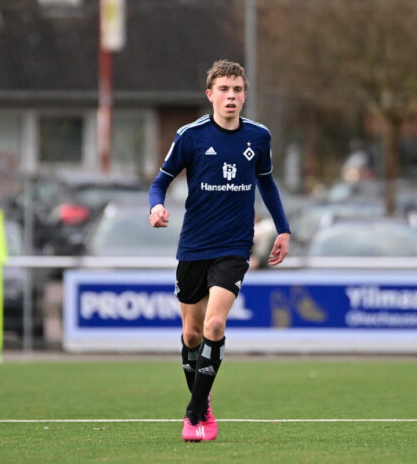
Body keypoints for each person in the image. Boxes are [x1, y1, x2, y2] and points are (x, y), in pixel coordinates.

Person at [148, 59, 291, 442]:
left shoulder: (258, 137)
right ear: (210, 94)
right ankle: (203, 401)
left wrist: (283, 228)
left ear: (245, 95)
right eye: (224, 89)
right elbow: (159, 182)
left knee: (214, 325)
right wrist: (156, 207)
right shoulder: (190, 136)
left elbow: (267, 184)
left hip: (234, 247)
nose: (231, 96)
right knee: (192, 335)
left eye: (237, 90)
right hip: (194, 246)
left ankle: (195, 413)